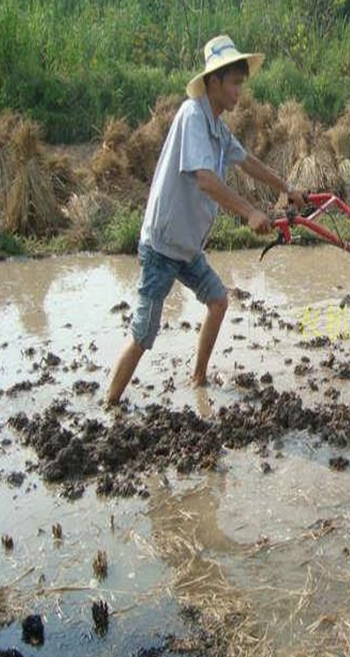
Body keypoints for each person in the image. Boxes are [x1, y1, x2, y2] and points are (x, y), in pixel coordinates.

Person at [106, 34, 305, 406]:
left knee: (218, 300)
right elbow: (205, 180)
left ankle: (198, 378)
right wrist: (249, 211)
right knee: (143, 335)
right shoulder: (192, 116)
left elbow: (247, 162)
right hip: (162, 247)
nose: (238, 93)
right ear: (213, 82)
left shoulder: (217, 127)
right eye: (234, 83)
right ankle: (109, 405)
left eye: (241, 84)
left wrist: (287, 188)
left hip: (187, 248)